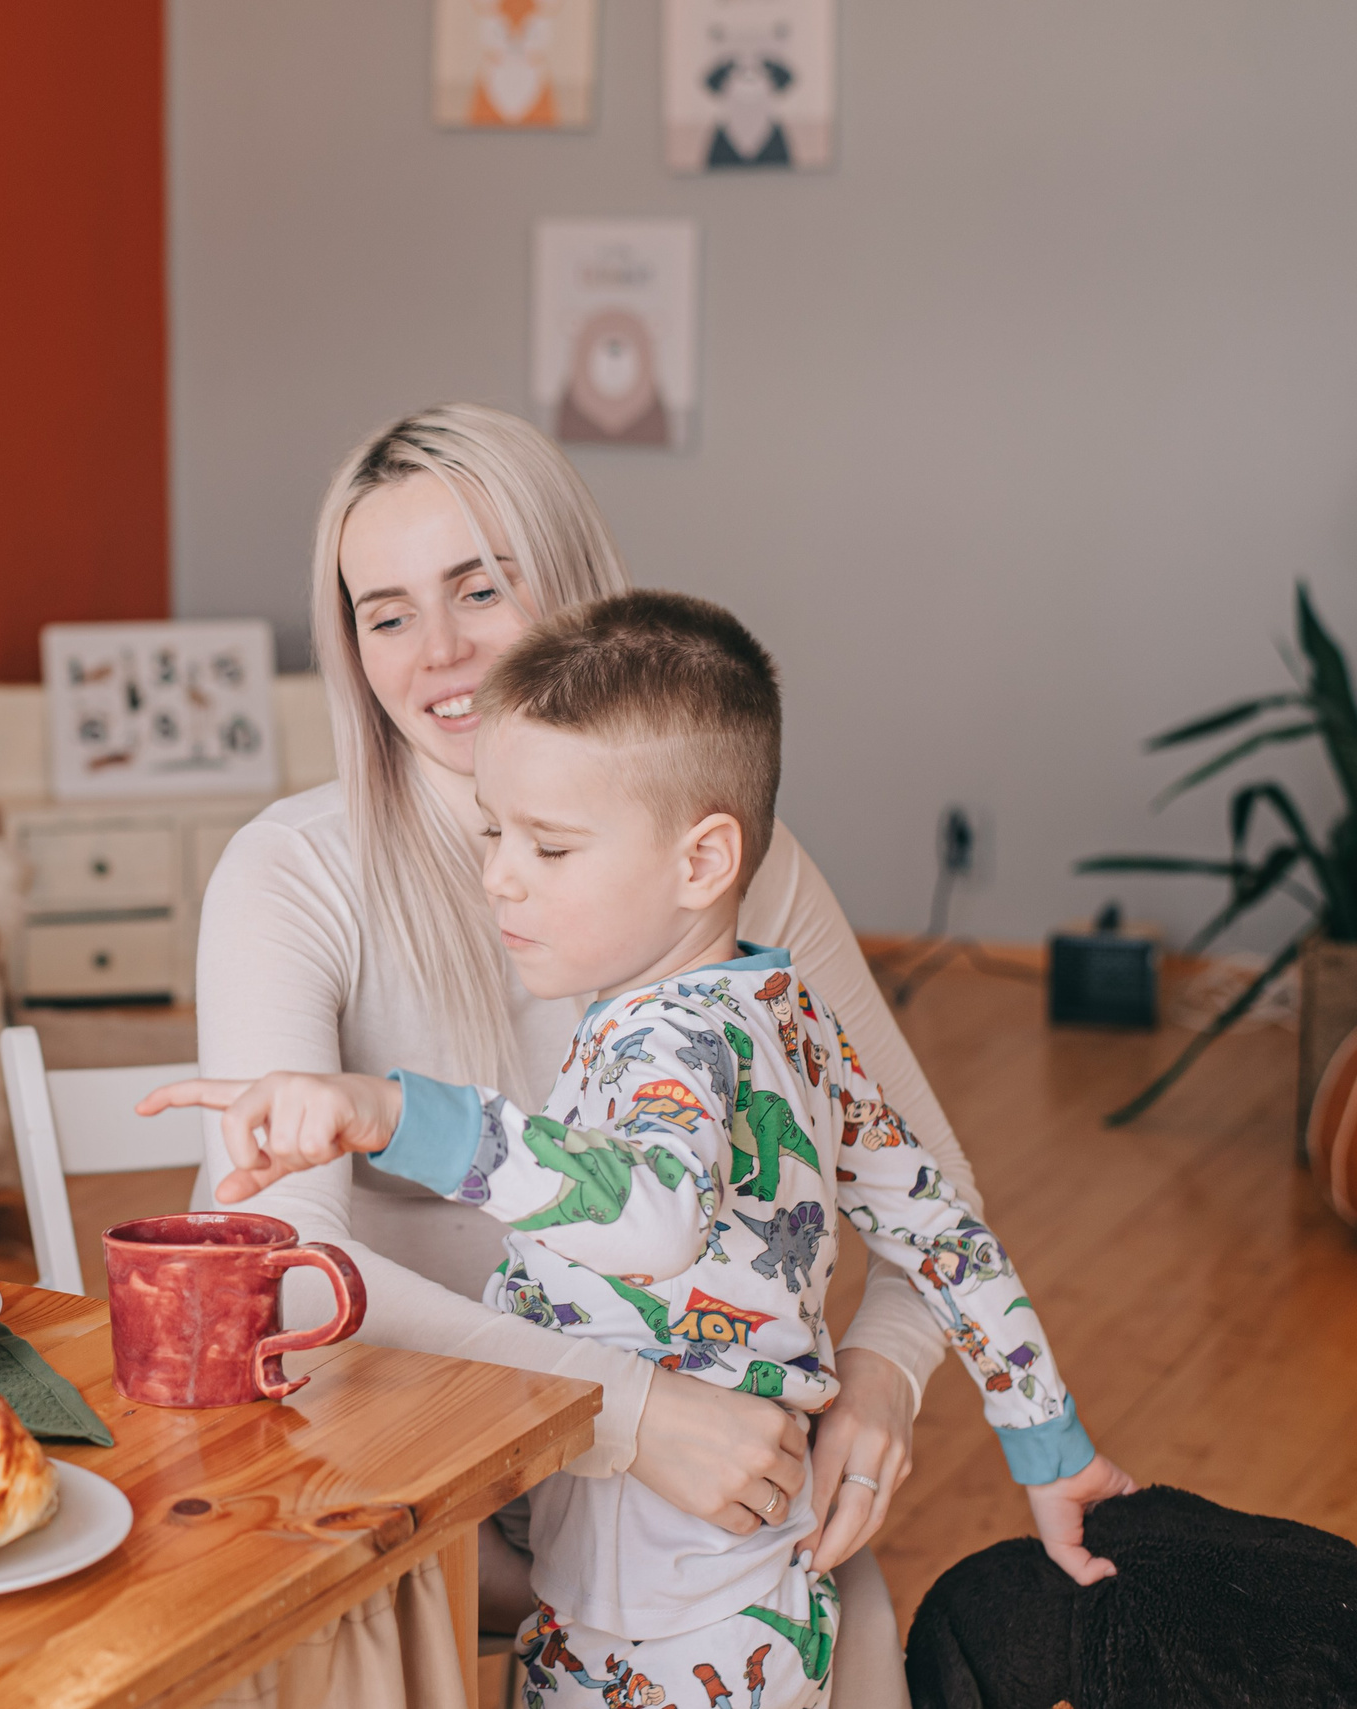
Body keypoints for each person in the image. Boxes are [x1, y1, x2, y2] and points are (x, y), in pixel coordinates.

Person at [151, 592, 1133, 1706]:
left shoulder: (665, 1041)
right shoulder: (791, 1017)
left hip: (668, 1626)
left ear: (702, 860)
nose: (500, 876)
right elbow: (946, 1237)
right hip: (723, 1592)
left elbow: (651, 1209)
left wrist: (391, 1112)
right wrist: (1051, 1449)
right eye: (493, 832)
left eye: (550, 845)